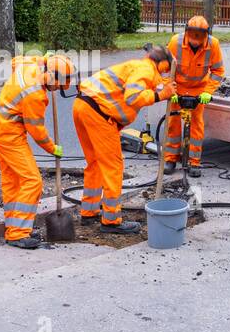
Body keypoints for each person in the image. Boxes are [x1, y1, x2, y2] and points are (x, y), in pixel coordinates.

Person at [73, 46, 174, 233]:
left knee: (95, 163)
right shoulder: (147, 70)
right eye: (166, 68)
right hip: (98, 113)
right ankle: (111, 220)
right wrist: (160, 95)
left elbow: (145, 87)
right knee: (113, 166)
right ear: (162, 64)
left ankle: (89, 211)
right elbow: (132, 97)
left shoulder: (137, 66)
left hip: (82, 106)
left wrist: (163, 89)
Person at [0, 55, 76, 250]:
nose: (57, 90)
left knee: (13, 180)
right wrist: (53, 148)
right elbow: (37, 132)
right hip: (9, 135)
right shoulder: (35, 95)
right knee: (32, 181)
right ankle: (18, 234)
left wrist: (46, 58)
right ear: (52, 78)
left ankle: (13, 226)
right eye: (58, 86)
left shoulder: (29, 65)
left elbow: (14, 62)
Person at [164, 15, 225, 177]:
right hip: (178, 87)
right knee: (173, 123)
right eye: (192, 37)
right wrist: (170, 89)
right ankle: (170, 158)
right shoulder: (175, 42)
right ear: (187, 33)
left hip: (199, 89)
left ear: (206, 35)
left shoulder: (213, 45)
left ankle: (194, 162)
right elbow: (165, 69)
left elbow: (218, 71)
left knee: (196, 126)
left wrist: (208, 92)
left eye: (199, 38)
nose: (195, 41)